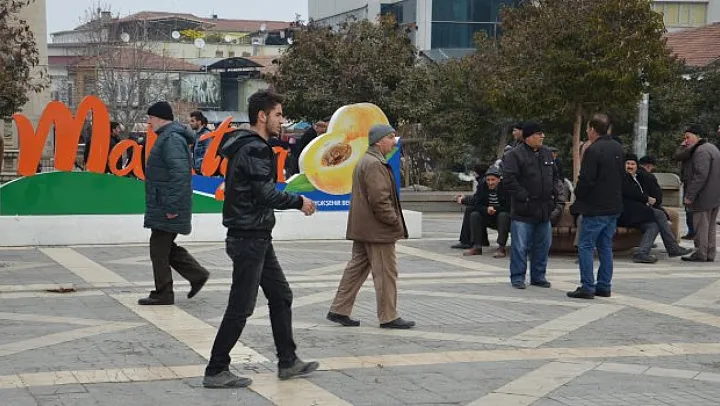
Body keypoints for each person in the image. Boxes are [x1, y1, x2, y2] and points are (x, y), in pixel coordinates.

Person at [203, 91, 319, 388]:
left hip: (256, 235)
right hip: (249, 238)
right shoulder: (255, 148)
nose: (282, 120)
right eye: (278, 114)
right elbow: (265, 194)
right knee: (241, 306)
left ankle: (288, 361)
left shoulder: (247, 145)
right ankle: (216, 369)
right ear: (262, 116)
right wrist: (299, 202)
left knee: (281, 296)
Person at [327, 124, 415, 329]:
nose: (394, 142)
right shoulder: (374, 164)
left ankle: (339, 309)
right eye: (390, 137)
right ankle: (388, 316)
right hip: (377, 230)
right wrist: (393, 221)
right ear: (379, 141)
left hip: (364, 228)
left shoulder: (366, 160)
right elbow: (379, 199)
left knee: (356, 269)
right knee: (385, 273)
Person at [139, 102, 210, 306]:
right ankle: (197, 275)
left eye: (151, 118)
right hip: (164, 203)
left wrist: (171, 207)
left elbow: (179, 175)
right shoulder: (168, 137)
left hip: (168, 206)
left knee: (158, 249)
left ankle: (164, 293)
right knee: (165, 247)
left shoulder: (171, 139)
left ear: (160, 118)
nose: (149, 122)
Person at [502, 122, 563, 289]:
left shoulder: (547, 153)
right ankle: (518, 277)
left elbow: (556, 177)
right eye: (538, 134)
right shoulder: (515, 155)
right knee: (520, 246)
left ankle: (538, 276)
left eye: (542, 133)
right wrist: (525, 197)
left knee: (543, 246)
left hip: (544, 209)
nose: (542, 137)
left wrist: (554, 194)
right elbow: (509, 180)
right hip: (524, 210)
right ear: (528, 137)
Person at [618, 154, 692, 264]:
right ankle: (672, 247)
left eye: (632, 164)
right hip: (626, 213)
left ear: (637, 166)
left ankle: (642, 253)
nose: (630, 166)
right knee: (659, 214)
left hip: (636, 214)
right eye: (627, 163)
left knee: (653, 226)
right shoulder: (622, 177)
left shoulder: (636, 177)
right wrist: (647, 199)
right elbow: (629, 192)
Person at [675, 125, 720, 262]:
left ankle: (700, 253)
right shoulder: (713, 148)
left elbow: (700, 175)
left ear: (697, 136)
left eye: (688, 137)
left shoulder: (701, 151)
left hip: (702, 195)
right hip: (714, 194)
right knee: (710, 226)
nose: (686, 140)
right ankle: (709, 253)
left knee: (700, 225)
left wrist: (690, 195)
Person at [457, 166, 511, 258]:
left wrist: (495, 209)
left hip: (504, 217)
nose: (490, 182)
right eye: (488, 180)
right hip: (489, 215)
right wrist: (486, 209)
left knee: (503, 216)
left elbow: (509, 207)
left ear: (499, 180)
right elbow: (477, 204)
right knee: (475, 215)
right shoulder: (483, 186)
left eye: (493, 180)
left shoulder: (505, 188)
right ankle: (477, 246)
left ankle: (501, 248)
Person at [452, 162, 490, 249]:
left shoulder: (483, 181)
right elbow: (478, 197)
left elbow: (476, 200)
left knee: (471, 209)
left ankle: (466, 241)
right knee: (476, 209)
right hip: (489, 207)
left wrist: (463, 200)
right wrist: (466, 198)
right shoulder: (484, 180)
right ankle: (482, 240)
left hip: (492, 210)